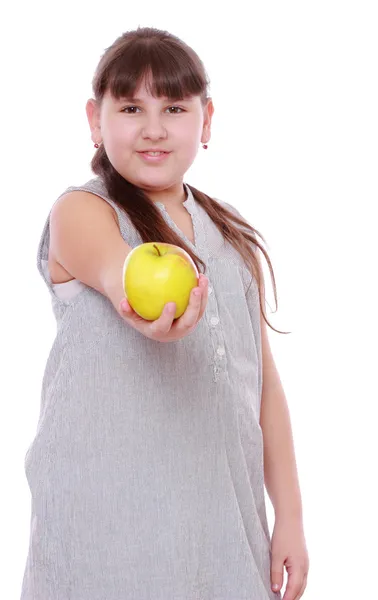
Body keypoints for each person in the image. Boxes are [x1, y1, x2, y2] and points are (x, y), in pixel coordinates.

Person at [20, 27, 309, 600]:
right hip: (105, 536)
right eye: (131, 107)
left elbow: (263, 389)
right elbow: (115, 270)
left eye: (174, 107)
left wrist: (291, 520)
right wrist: (139, 306)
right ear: (95, 120)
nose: (153, 128)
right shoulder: (82, 211)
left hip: (221, 531)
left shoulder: (233, 239)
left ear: (205, 122)